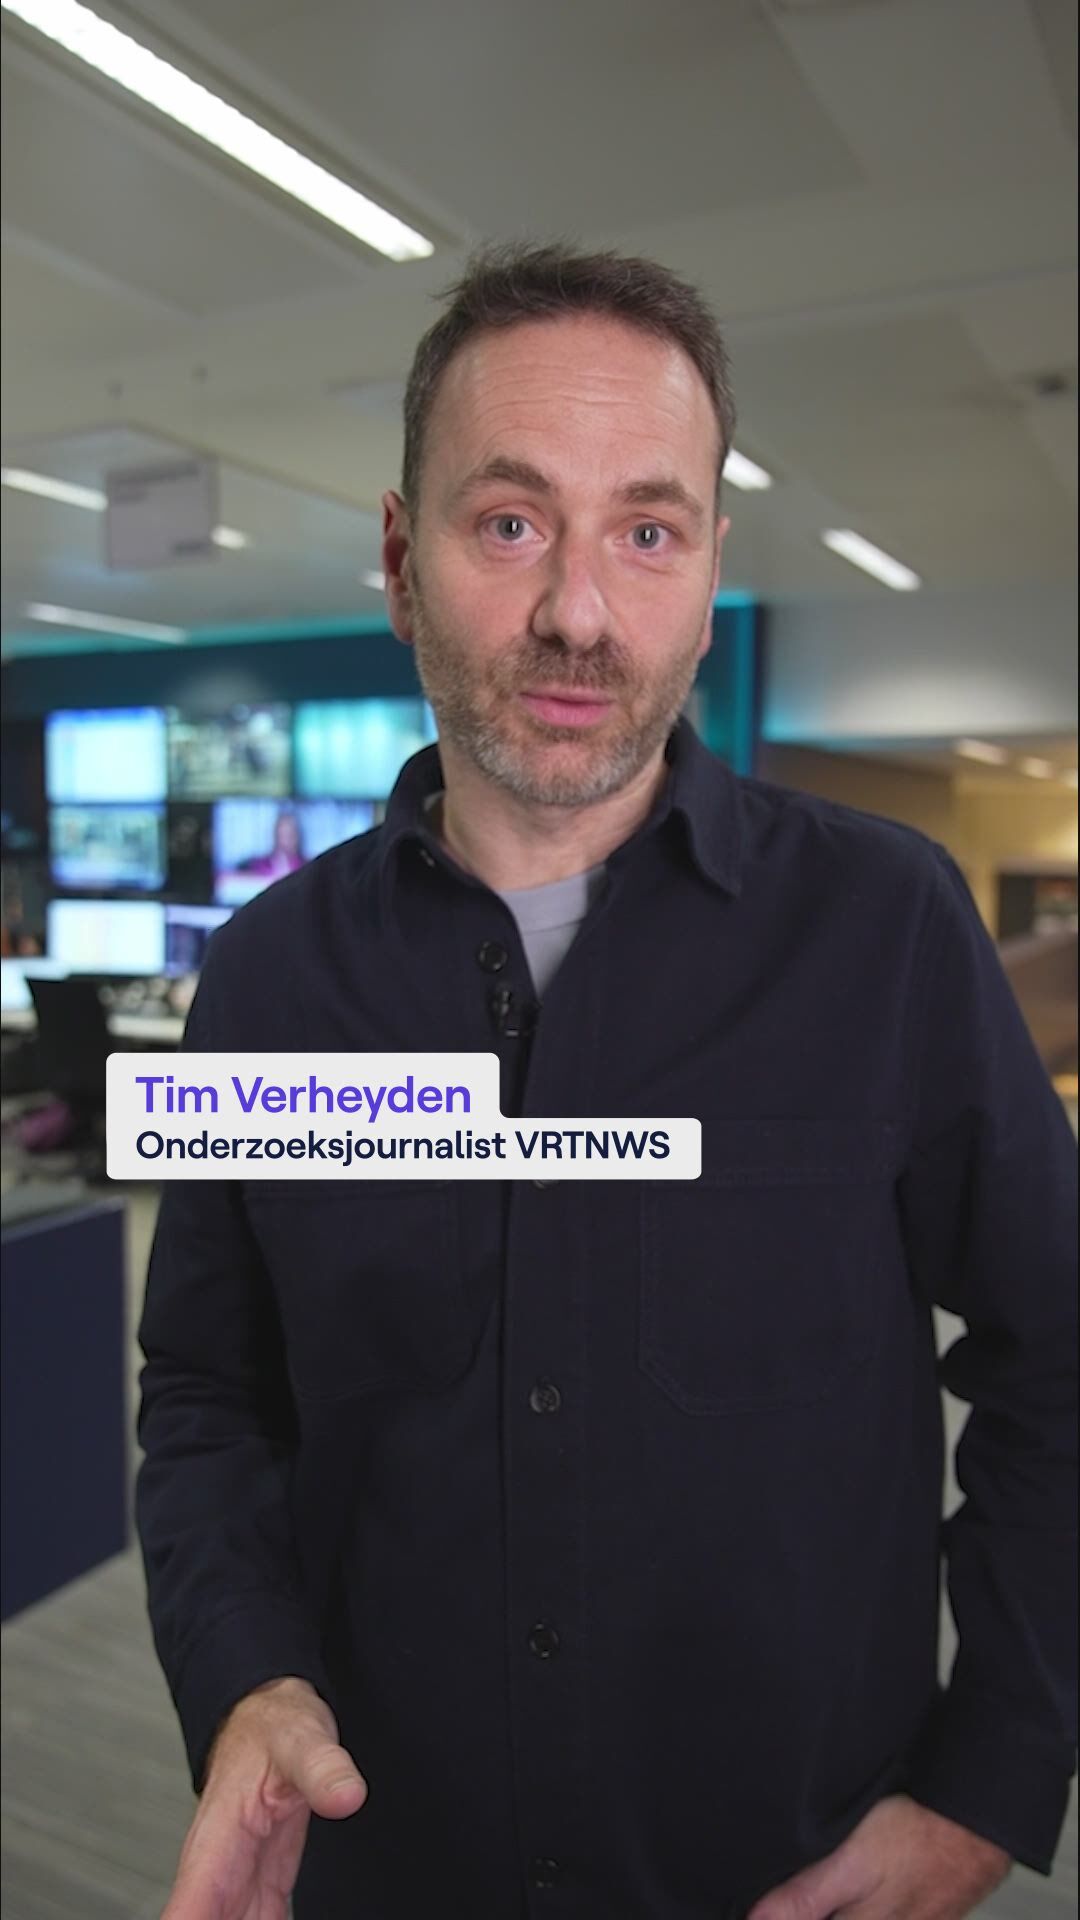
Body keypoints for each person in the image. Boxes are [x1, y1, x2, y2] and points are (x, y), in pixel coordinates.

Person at [138, 243, 1077, 1920]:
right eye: (511, 523)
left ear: (708, 574)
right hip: (387, 1869)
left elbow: (1062, 1361)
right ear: (400, 561)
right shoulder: (270, 980)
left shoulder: (889, 931)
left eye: (647, 532)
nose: (578, 613)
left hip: (793, 1877)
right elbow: (209, 1395)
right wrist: (245, 1679)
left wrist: (987, 1775)